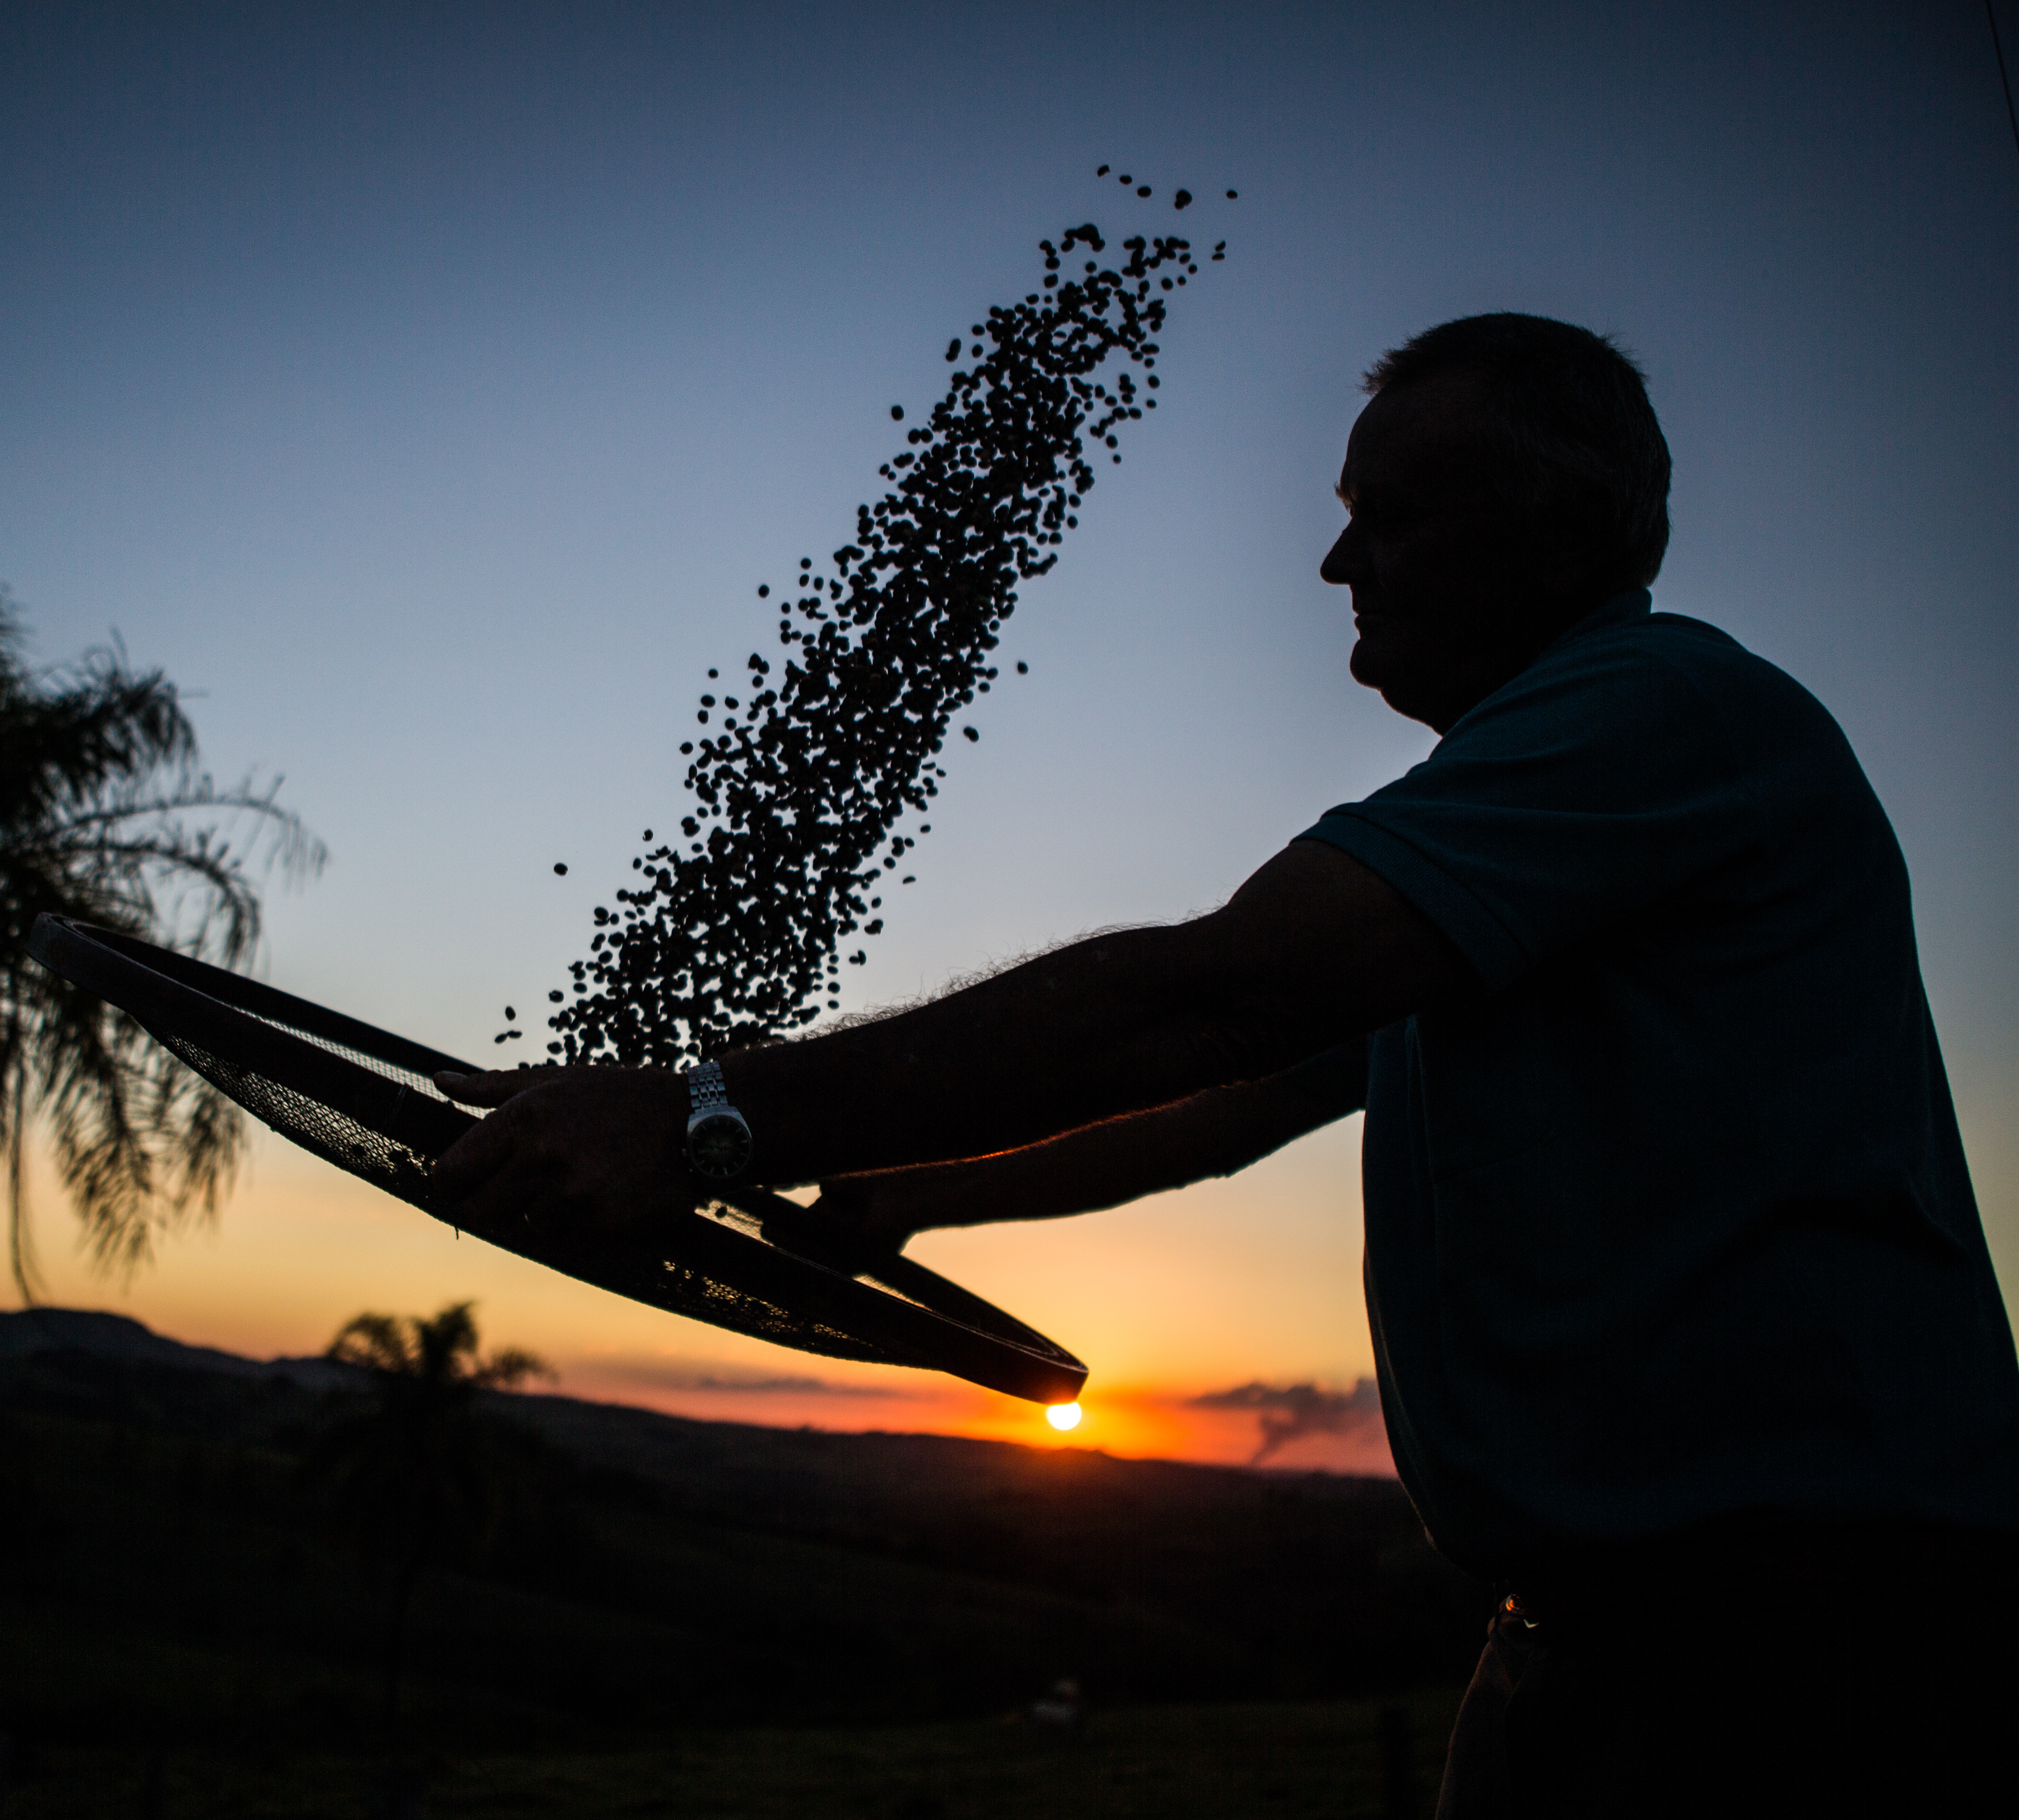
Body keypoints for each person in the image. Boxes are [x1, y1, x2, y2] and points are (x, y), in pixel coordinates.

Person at [431, 313, 2019, 1815]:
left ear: (1557, 530)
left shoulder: (1658, 713)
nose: (1338, 560)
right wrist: (911, 1200)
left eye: (1391, 514)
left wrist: (711, 1114)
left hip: (1802, 1650)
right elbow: (1226, 1105)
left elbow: (1218, 997)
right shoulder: (1516, 844)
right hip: (1602, 1642)